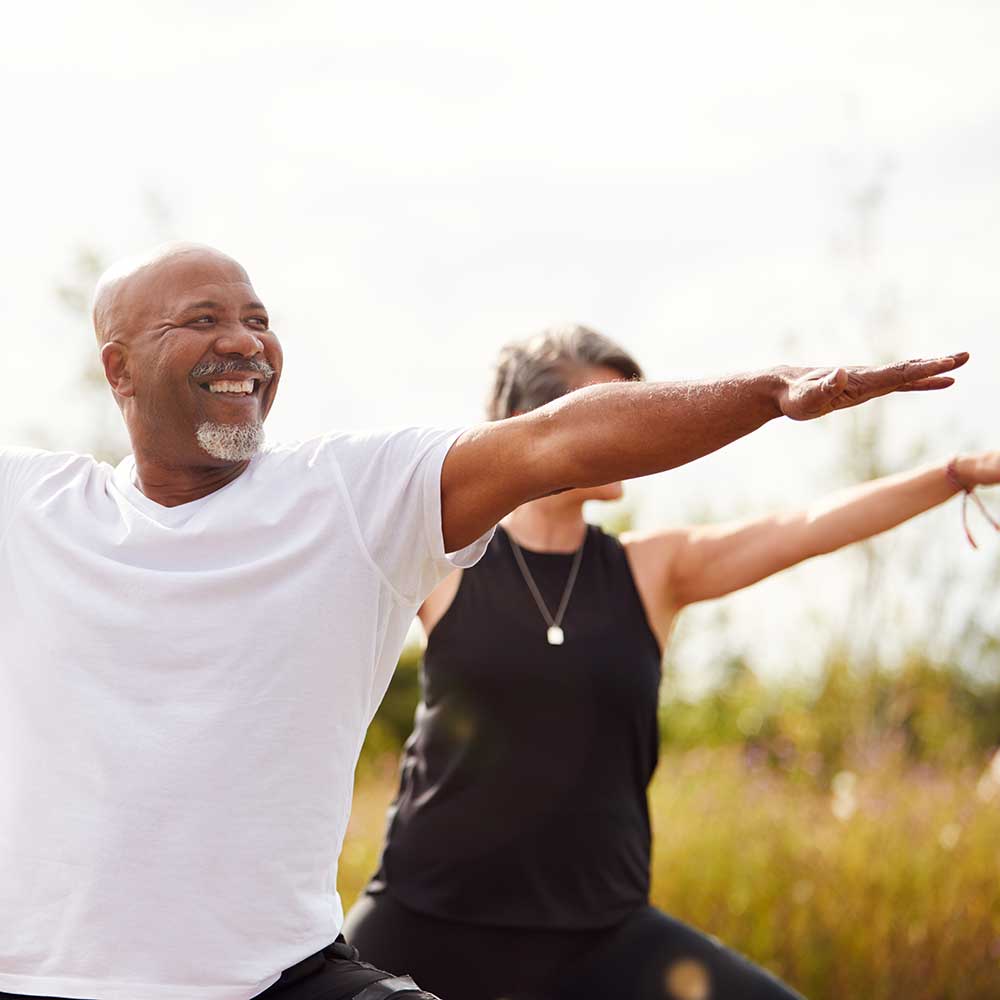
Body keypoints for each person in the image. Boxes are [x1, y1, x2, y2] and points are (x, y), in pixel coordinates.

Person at [0, 245, 969, 1000]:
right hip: (374, 920)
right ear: (117, 368)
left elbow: (597, 453)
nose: (245, 339)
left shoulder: (354, 497)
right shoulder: (37, 507)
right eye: (203, 319)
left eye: (258, 317)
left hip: (341, 966)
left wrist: (771, 395)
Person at [343, 325, 998, 1000]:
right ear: (530, 425)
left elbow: (803, 527)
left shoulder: (652, 571)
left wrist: (952, 474)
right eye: (612, 409)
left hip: (602, 935)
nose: (640, 429)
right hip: (424, 921)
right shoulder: (447, 565)